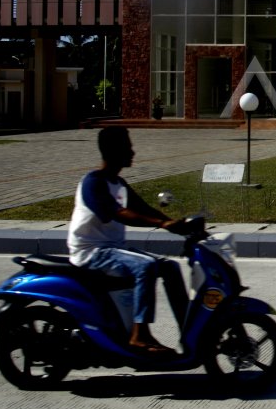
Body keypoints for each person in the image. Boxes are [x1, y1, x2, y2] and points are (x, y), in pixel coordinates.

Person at [67, 127, 188, 356]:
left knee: (169, 267)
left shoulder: (118, 183)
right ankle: (139, 334)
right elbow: (118, 213)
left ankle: (187, 330)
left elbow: (142, 208)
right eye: (128, 146)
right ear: (114, 151)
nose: (133, 152)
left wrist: (178, 226)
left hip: (112, 250)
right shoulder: (93, 182)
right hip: (92, 252)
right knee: (146, 266)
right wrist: (160, 224)